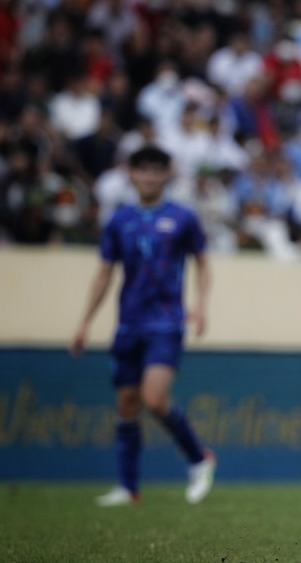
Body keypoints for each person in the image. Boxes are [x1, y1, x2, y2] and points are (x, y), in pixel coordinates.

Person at [70, 145, 216, 507]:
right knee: (126, 403)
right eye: (142, 169)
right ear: (131, 174)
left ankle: (199, 457)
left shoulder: (182, 217)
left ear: (166, 174)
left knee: (154, 398)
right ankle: (129, 487)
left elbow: (202, 262)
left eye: (156, 170)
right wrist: (84, 322)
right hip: (128, 323)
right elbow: (105, 273)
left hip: (166, 322)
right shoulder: (119, 221)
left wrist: (199, 306)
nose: (149, 176)